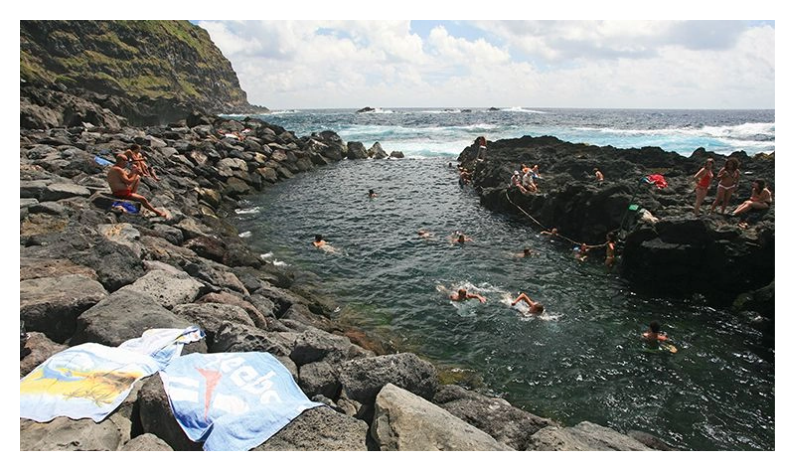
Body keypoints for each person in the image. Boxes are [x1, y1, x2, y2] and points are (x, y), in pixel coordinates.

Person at [107, 153, 167, 218]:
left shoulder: (116, 168)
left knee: (137, 177)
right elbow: (128, 182)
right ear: (121, 161)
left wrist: (133, 171)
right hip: (121, 193)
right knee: (143, 199)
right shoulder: (118, 170)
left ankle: (133, 194)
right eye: (126, 160)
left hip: (122, 191)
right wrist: (135, 173)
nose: (127, 162)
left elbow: (128, 176)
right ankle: (158, 213)